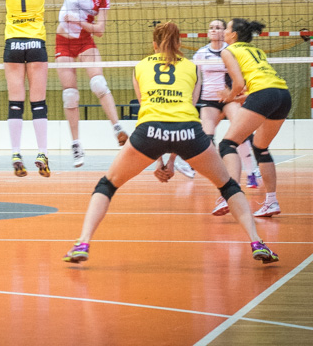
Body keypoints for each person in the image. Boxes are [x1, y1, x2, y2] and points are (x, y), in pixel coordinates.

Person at [62, 22, 278, 265]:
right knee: (228, 185)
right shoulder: (192, 67)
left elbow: (147, 108)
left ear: (154, 44)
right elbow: (190, 108)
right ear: (179, 44)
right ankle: (257, 242)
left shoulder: (140, 66)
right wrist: (173, 159)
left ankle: (82, 243)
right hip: (188, 133)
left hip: (149, 132)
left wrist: (160, 161)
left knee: (107, 185)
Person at [4, 0, 73, 178]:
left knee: (15, 103)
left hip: (13, 45)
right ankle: (42, 153)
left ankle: (15, 153)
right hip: (35, 45)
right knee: (39, 102)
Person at [55, 0, 127, 168]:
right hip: (63, 41)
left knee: (99, 84)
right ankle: (76, 144)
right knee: (70, 95)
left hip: (85, 40)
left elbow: (100, 30)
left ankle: (117, 128)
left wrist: (78, 22)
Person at [214, 19, 291, 218]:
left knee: (227, 145)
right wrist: (238, 97)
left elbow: (239, 83)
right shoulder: (256, 50)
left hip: (264, 94)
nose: (223, 32)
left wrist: (229, 96)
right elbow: (257, 84)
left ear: (233, 34)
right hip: (283, 94)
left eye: (227, 28)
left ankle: (229, 195)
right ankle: (271, 202)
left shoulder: (228, 51)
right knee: (260, 147)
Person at [190, 20, 261, 201]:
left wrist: (238, 95)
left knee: (240, 132)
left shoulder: (231, 52)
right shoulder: (201, 53)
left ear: (225, 32)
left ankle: (251, 172)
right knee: (206, 138)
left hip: (229, 98)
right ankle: (217, 174)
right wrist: (192, 102)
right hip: (209, 100)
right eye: (211, 27)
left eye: (218, 28)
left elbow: (240, 76)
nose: (214, 30)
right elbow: (197, 80)